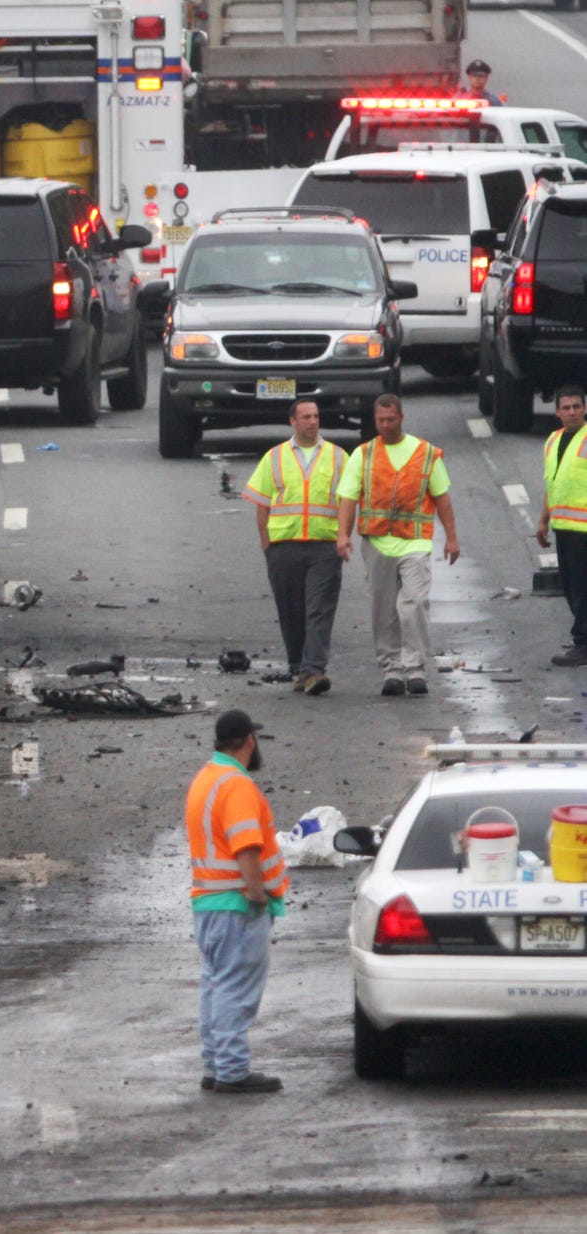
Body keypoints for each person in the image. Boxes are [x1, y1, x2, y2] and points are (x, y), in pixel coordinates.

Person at [186, 710, 288, 1094]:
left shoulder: (206, 779)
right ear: (249, 741)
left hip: (209, 904)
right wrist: (258, 895)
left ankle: (215, 1065)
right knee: (234, 990)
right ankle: (231, 1071)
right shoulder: (237, 785)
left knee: (215, 986)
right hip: (237, 905)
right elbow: (247, 848)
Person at [336, 394, 459, 696]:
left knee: (414, 604)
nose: (386, 425)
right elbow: (348, 498)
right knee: (384, 609)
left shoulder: (426, 453)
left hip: (414, 543)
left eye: (391, 419)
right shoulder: (363, 455)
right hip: (377, 543)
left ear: (402, 418)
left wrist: (452, 538)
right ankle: (392, 669)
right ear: (375, 420)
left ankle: (415, 668)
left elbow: (442, 497)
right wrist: (343, 536)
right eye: (381, 420)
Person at [242, 401, 347, 695]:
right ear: (293, 421)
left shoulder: (338, 457)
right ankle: (299, 666)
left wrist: (343, 537)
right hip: (284, 547)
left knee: (319, 609)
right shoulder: (274, 457)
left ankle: (314, 670)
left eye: (316, 416)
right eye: (306, 417)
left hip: (324, 547)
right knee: (291, 611)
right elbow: (262, 505)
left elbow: (348, 502)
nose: (312, 422)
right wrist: (267, 545)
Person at [538, 385, 587, 666]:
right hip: (564, 527)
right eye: (566, 407)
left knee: (583, 587)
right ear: (557, 412)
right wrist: (543, 520)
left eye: (577, 406)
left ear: (584, 408)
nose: (572, 412)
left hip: (585, 529)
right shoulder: (553, 441)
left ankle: (583, 643)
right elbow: (552, 483)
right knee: (571, 586)